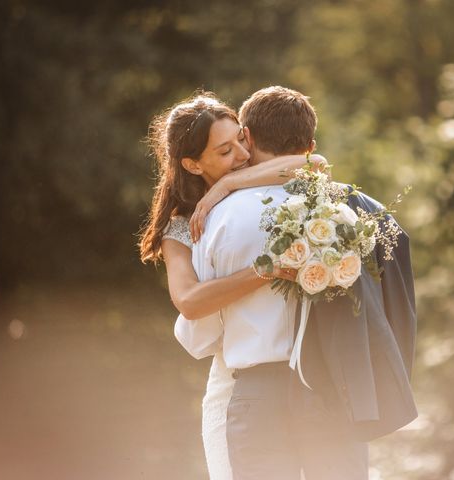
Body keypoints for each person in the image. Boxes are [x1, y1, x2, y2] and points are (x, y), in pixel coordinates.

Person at [178, 86, 374, 479]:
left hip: (256, 390)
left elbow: (200, 338)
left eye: (237, 143)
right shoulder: (344, 211)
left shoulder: (213, 220)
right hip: (332, 386)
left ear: (247, 137)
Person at [138, 91, 327, 479]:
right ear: (192, 164)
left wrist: (228, 184)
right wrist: (267, 270)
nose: (242, 154)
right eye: (224, 152)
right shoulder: (180, 226)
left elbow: (316, 163)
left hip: (294, 383)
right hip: (235, 384)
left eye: (241, 140)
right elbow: (189, 302)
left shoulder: (246, 184)